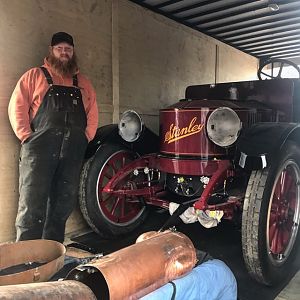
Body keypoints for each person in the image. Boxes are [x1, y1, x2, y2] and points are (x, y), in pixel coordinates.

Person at [8, 32, 98, 243]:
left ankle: (52, 253)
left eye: (68, 49)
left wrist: (86, 136)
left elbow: (92, 112)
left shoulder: (83, 82)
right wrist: (26, 136)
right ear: (51, 51)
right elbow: (17, 106)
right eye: (60, 48)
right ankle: (26, 257)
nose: (64, 52)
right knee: (32, 203)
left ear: (73, 52)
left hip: (73, 151)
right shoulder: (34, 76)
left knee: (62, 203)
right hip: (39, 149)